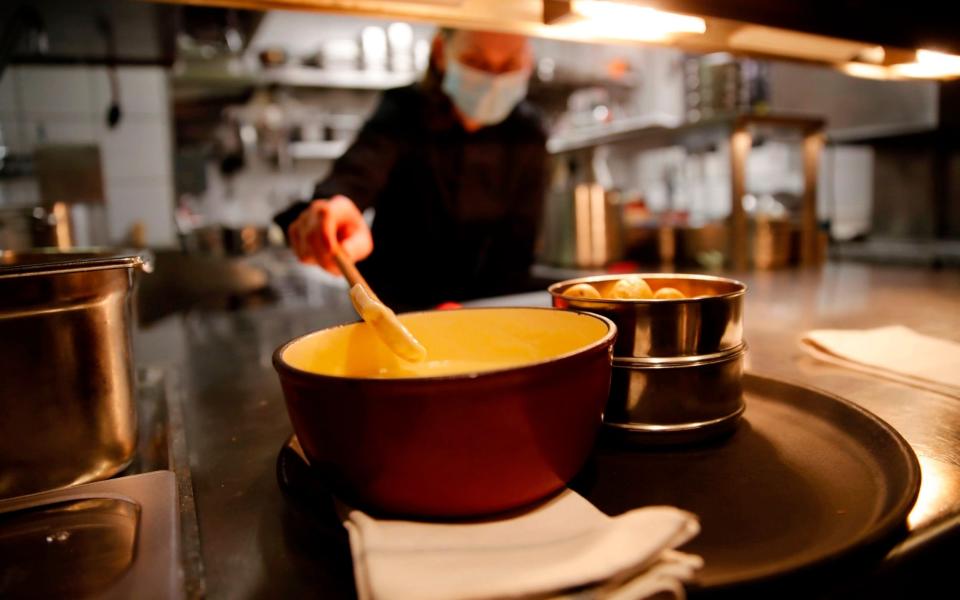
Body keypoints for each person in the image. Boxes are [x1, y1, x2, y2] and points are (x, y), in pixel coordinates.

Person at [274, 28, 547, 310]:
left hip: (489, 310)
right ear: (441, 52)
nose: (493, 79)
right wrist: (333, 209)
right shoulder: (403, 111)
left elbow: (519, 241)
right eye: (476, 62)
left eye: (510, 65)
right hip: (399, 310)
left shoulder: (529, 130)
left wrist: (475, 311)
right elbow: (355, 176)